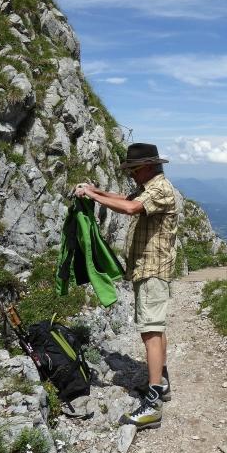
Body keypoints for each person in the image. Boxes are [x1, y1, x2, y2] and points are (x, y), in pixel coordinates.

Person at [74, 142, 178, 430]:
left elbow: (131, 207)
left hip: (153, 270)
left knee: (150, 331)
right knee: (155, 328)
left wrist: (92, 195)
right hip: (149, 269)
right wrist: (96, 192)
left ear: (145, 166)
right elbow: (126, 197)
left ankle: (153, 404)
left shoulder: (160, 188)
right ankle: (162, 382)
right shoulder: (151, 186)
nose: (131, 175)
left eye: (132, 169)